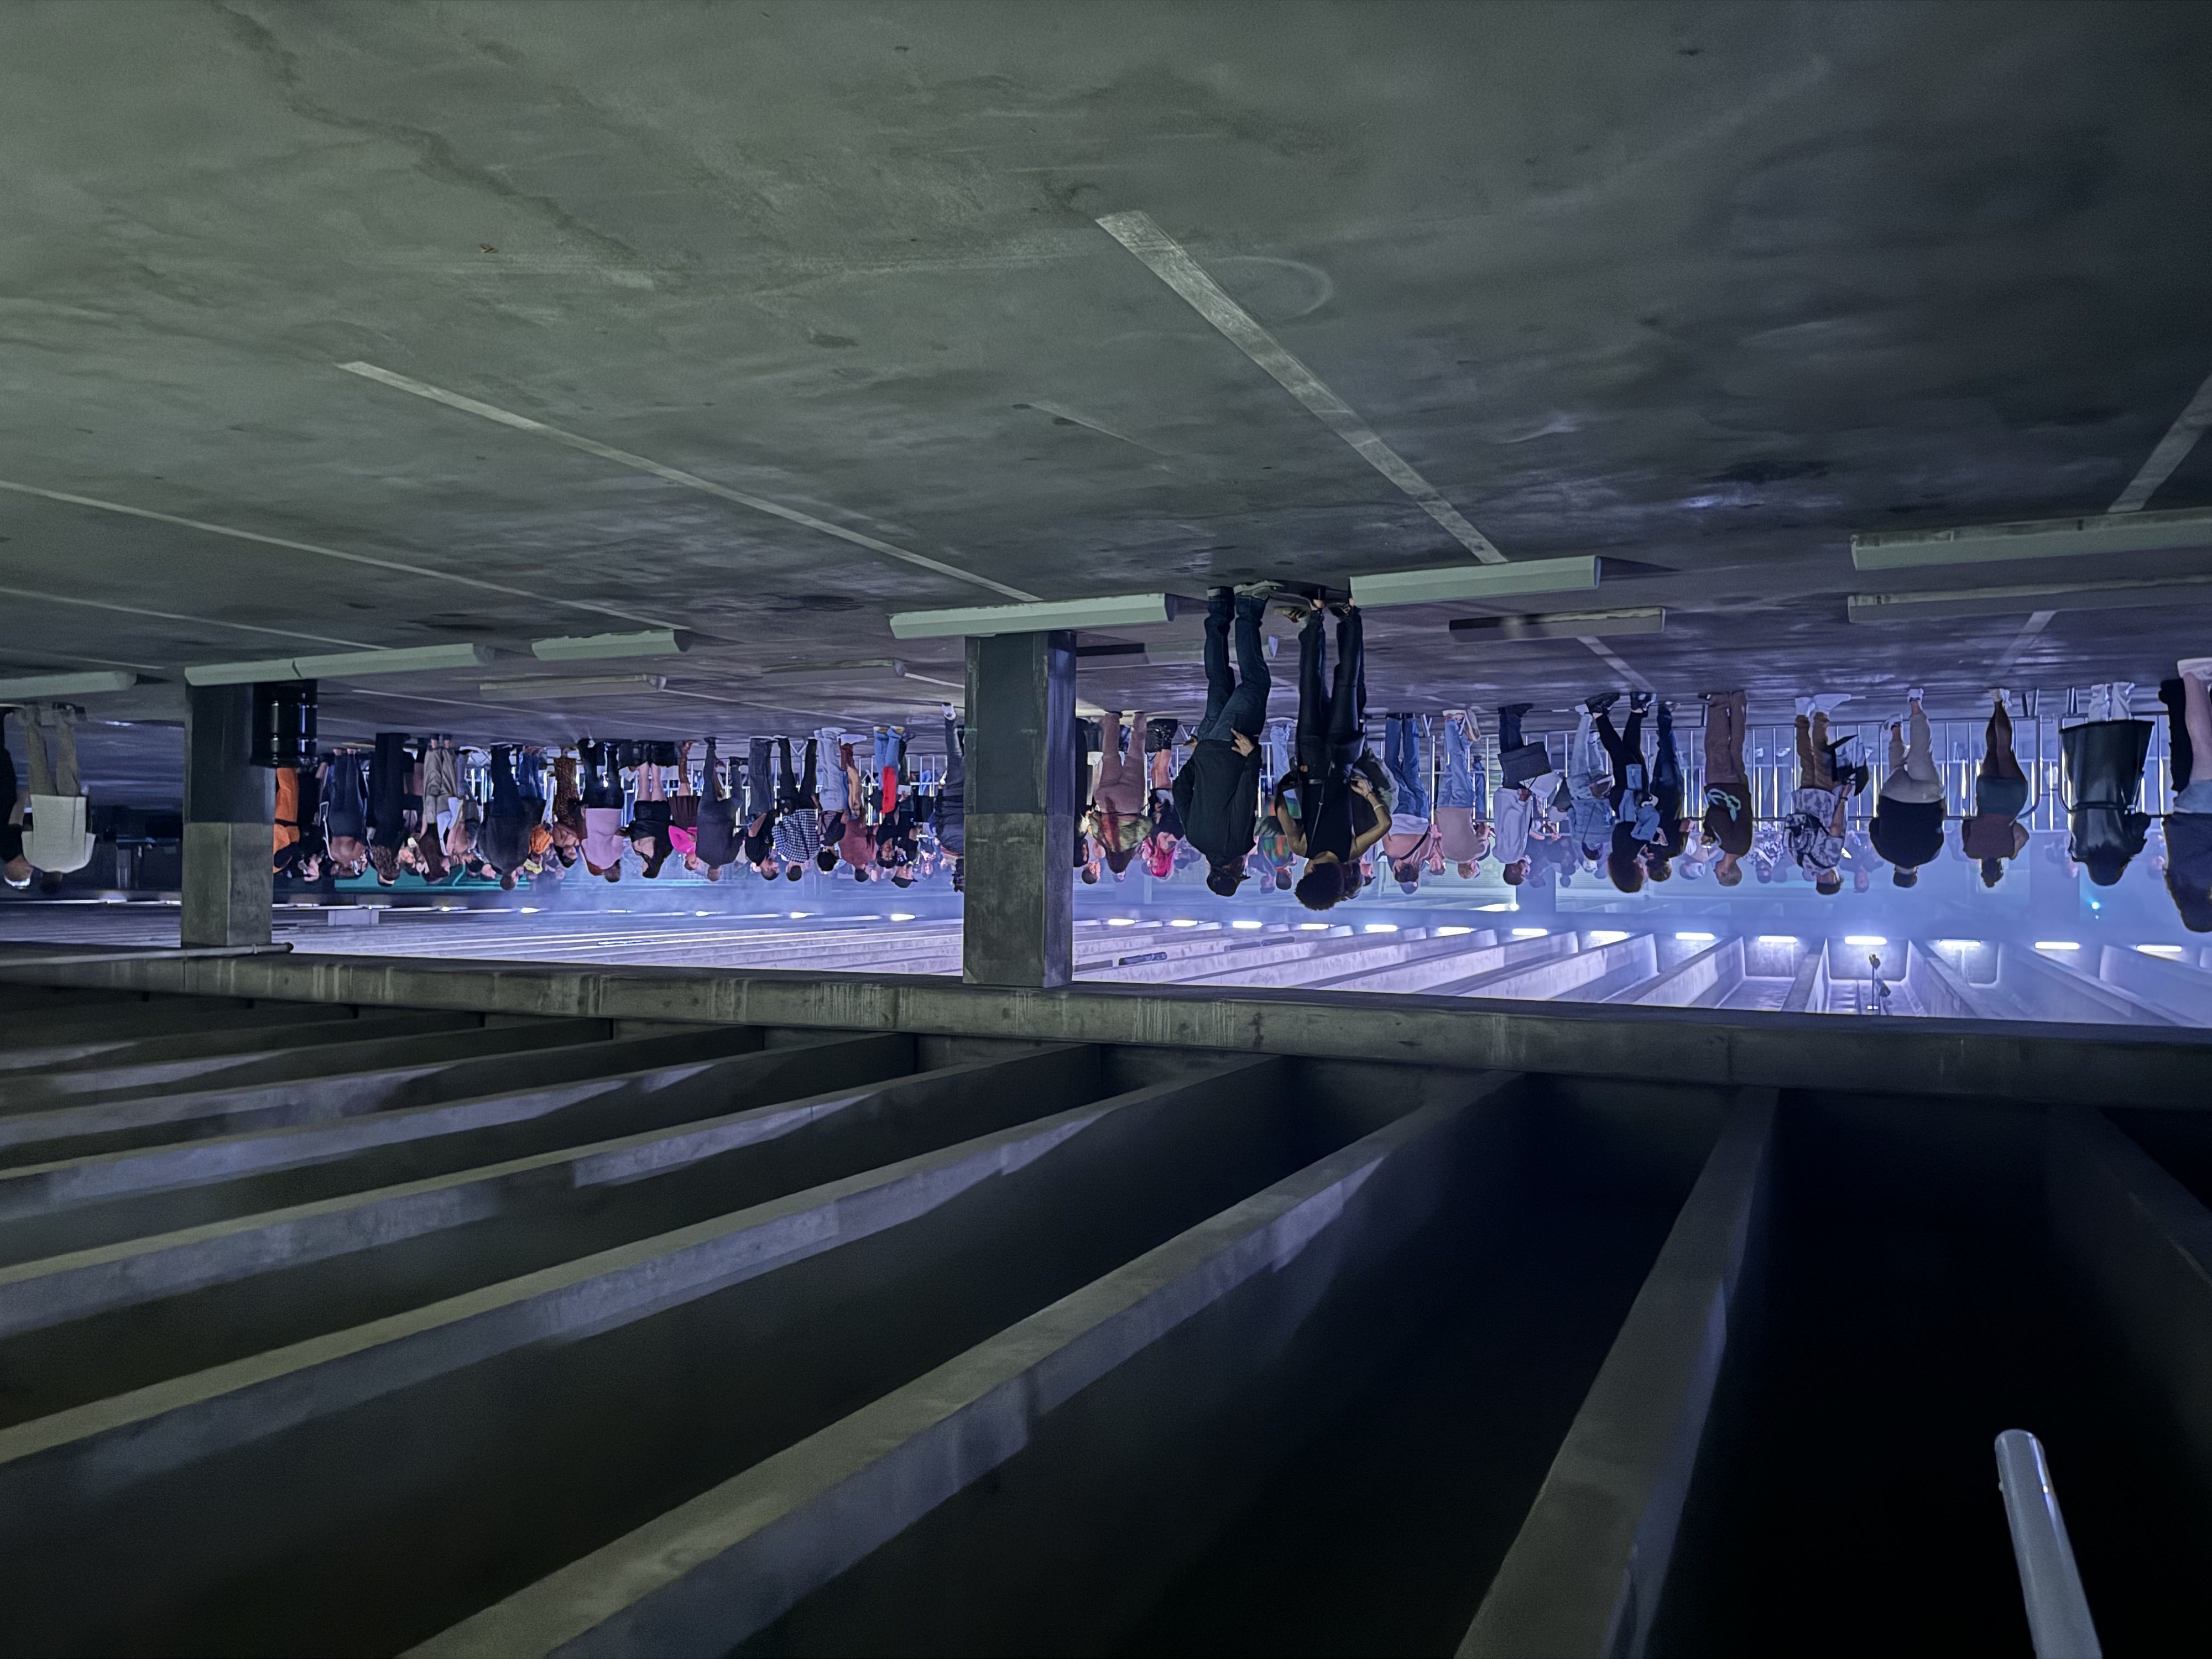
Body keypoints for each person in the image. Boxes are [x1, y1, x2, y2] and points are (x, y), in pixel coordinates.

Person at [1281, 604, 1389, 910]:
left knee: (1346, 685)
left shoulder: (1352, 851)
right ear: (1312, 874)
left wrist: (1370, 796)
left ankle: (1346, 618)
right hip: (1312, 756)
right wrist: (1283, 789)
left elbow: (1384, 825)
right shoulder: (1302, 846)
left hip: (1342, 759)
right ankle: (1317, 620)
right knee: (1313, 687)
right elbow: (1278, 811)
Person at [1171, 586, 1273, 898]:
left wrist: (1252, 757)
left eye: (1241, 872)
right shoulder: (1197, 839)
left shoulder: (1238, 845)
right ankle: (1218, 605)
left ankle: (1249, 605)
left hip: (1234, 746)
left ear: (1234, 870)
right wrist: (1198, 756)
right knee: (1218, 680)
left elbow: (1244, 797)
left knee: (1255, 682)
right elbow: (1179, 789)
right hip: (1208, 743)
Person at [2063, 682, 2154, 887]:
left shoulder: (2126, 847)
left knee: (2123, 737)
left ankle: (2121, 692)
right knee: (2094, 738)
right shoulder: (2080, 849)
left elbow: (2142, 820)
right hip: (2086, 788)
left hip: (2119, 789)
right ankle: (2098, 694)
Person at [1870, 690, 1945, 888]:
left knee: (1922, 752)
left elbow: (1939, 830)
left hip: (1927, 799)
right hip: (1895, 797)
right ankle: (1895, 728)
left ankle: (1915, 703)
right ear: (1895, 871)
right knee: (1897, 769)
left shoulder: (1931, 855)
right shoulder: (1885, 851)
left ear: (1916, 872)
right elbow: (1874, 825)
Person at [17, 703, 94, 884]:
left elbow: (88, 829)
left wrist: (88, 801)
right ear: (43, 878)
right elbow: (27, 829)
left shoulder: (81, 862)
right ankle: (30, 717)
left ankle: (62, 719)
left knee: (67, 760)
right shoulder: (34, 858)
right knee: (37, 762)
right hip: (43, 805)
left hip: (71, 807)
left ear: (59, 880)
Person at [1961, 691, 2031, 887]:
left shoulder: (2009, 852)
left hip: (2012, 800)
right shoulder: (1971, 850)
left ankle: (1999, 704)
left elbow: (2022, 834)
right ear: (1983, 868)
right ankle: (1997, 706)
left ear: (2000, 867)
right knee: (1992, 749)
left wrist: (2013, 846)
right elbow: (1967, 821)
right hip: (1987, 796)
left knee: (2004, 749)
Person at [1590, 691, 1656, 894]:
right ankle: (1637, 709)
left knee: (1621, 752)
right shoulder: (1619, 852)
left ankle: (1598, 714)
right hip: (1623, 799)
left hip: (1633, 796)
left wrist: (1652, 835)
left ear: (1635, 873)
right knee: (1629, 751)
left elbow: (1649, 820)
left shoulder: (1631, 850)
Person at [2163, 657, 2212, 931]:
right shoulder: (2180, 881)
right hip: (2191, 813)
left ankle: (2191, 676)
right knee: (2205, 743)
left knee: (2203, 743)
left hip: (2203, 811)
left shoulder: (2201, 879)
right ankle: (2201, 681)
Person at [1785, 702, 1853, 894]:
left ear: (1833, 879)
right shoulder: (1799, 860)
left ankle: (1822, 713)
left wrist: (1843, 799)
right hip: (1804, 801)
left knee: (1822, 757)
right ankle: (1801, 715)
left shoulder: (1830, 860)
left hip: (1825, 802)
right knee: (1806, 760)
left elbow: (1835, 828)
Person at [1090, 709, 1152, 877]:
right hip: (1106, 802)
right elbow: (1093, 821)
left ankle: (1139, 719)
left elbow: (1146, 825)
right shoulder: (1104, 841)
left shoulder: (1132, 843)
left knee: (1136, 758)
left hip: (1130, 803)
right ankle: (1112, 719)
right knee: (1110, 757)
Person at [1700, 690, 1752, 887]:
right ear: (1726, 872)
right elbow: (1717, 815)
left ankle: (1739, 701)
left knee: (1736, 747)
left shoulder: (1743, 848)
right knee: (1716, 746)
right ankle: (1719, 703)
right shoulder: (1727, 844)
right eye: (1718, 874)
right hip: (1723, 788)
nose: (1714, 871)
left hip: (1739, 790)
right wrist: (1709, 833)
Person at [1435, 710, 1491, 878]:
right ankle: (1466, 739)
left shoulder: (1478, 852)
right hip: (1443, 809)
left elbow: (1484, 828)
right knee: (1452, 769)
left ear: (1473, 866)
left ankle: (1450, 722)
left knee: (1458, 763)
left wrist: (1484, 834)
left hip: (1462, 808)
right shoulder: (1447, 854)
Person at [480, 744, 535, 888]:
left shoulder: (518, 860)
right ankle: (496, 754)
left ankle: (503, 753)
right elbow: (483, 838)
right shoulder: (492, 860)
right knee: (498, 785)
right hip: (495, 818)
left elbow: (523, 836)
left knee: (508, 783)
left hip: (514, 817)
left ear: (514, 879)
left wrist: (528, 819)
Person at [578, 739, 627, 880]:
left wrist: (628, 833)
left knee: (613, 781)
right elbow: (585, 841)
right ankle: (584, 748)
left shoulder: (615, 856)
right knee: (590, 778)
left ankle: (611, 751)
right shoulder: (592, 859)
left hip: (612, 812)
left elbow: (618, 834)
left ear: (614, 872)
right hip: (592, 814)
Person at [2, 709, 30, 890]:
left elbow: (15, 819)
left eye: (25, 871)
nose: (30, 868)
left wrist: (24, 797)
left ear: (13, 868)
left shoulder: (11, 849)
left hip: (4, 794)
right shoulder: (5, 852)